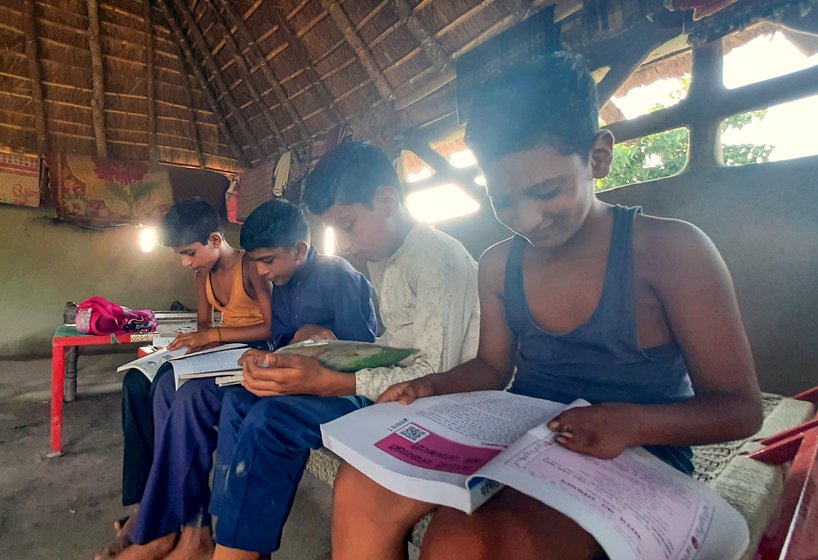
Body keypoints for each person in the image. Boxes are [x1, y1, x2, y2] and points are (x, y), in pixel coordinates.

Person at [330, 52, 764, 560]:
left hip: (637, 446)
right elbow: (493, 367)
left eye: (546, 190)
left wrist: (629, 423)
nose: (529, 218)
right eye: (504, 200)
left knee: (466, 543)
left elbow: (739, 408)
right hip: (527, 439)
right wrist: (431, 387)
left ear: (599, 156)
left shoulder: (670, 252)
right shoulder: (499, 264)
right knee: (361, 484)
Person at [208, 140, 481, 560]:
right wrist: (312, 355)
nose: (347, 245)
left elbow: (433, 374)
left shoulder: (438, 258)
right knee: (243, 399)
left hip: (429, 403)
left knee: (271, 419)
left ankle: (234, 553)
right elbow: (390, 344)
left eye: (349, 225)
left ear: (387, 201)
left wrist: (332, 380)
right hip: (386, 385)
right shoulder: (385, 258)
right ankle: (230, 537)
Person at [109, 197, 377, 560]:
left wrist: (320, 334)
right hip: (288, 374)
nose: (263, 272)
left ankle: (235, 545)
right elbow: (280, 338)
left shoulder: (339, 276)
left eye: (267, 261)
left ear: (300, 249)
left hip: (335, 386)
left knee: (262, 419)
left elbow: (362, 351)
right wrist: (272, 354)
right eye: (258, 262)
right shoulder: (283, 281)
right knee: (223, 398)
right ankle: (212, 531)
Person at [96, 199, 272, 560]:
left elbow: (273, 326)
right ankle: (155, 512)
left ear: (214, 239)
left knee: (188, 396)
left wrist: (214, 338)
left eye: (190, 253)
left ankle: (163, 528)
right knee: (152, 384)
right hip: (222, 358)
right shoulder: (202, 276)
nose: (186, 262)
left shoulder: (249, 267)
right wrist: (185, 346)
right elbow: (205, 328)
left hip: (253, 357)